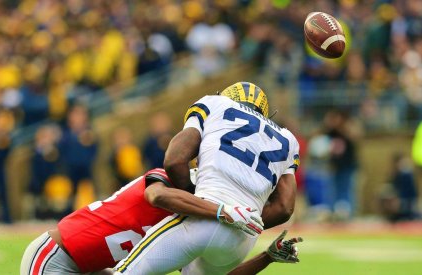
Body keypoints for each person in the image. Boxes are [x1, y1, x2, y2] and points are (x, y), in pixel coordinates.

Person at [115, 81, 300, 274]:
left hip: (205, 216)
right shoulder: (287, 139)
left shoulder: (214, 104)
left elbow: (174, 161)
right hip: (240, 242)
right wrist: (247, 220)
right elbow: (284, 207)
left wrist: (193, 200)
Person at [20, 168, 263, 275]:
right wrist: (222, 210)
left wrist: (268, 257)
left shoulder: (193, 218)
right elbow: (157, 196)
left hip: (94, 269)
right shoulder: (171, 182)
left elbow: (214, 274)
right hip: (56, 257)